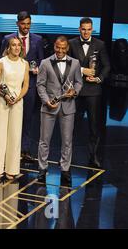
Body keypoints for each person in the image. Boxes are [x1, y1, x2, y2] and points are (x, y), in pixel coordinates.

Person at [36, 36, 83, 186]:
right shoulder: (45, 63)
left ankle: (65, 168)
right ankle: (42, 168)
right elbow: (40, 85)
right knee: (44, 140)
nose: (60, 51)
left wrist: (74, 92)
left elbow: (78, 82)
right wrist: (46, 101)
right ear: (54, 46)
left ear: (67, 48)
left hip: (68, 107)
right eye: (58, 47)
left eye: (63, 48)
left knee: (67, 141)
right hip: (49, 107)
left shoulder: (75, 63)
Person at [0, 11, 44, 162]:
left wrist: (37, 68)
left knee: (27, 119)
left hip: (30, 86)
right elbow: (2, 61)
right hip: (12, 86)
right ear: (17, 24)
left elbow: (41, 61)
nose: (26, 27)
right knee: (10, 119)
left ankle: (24, 150)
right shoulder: (8, 39)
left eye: (28, 24)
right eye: (23, 24)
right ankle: (9, 150)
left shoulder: (38, 40)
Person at [68, 17, 110, 168]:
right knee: (72, 125)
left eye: (88, 29)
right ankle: (68, 155)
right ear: (79, 29)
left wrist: (99, 78)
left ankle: (93, 156)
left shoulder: (100, 44)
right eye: (83, 29)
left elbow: (106, 66)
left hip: (93, 92)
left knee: (93, 126)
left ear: (92, 29)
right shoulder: (72, 43)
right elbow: (67, 63)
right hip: (76, 91)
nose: (86, 32)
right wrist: (82, 70)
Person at [0, 36, 29, 181]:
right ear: (8, 47)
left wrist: (17, 98)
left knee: (14, 135)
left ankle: (12, 169)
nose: (16, 48)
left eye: (19, 45)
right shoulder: (1, 62)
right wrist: (4, 95)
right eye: (13, 45)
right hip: (2, 101)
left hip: (17, 103)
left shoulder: (24, 64)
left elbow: (25, 86)